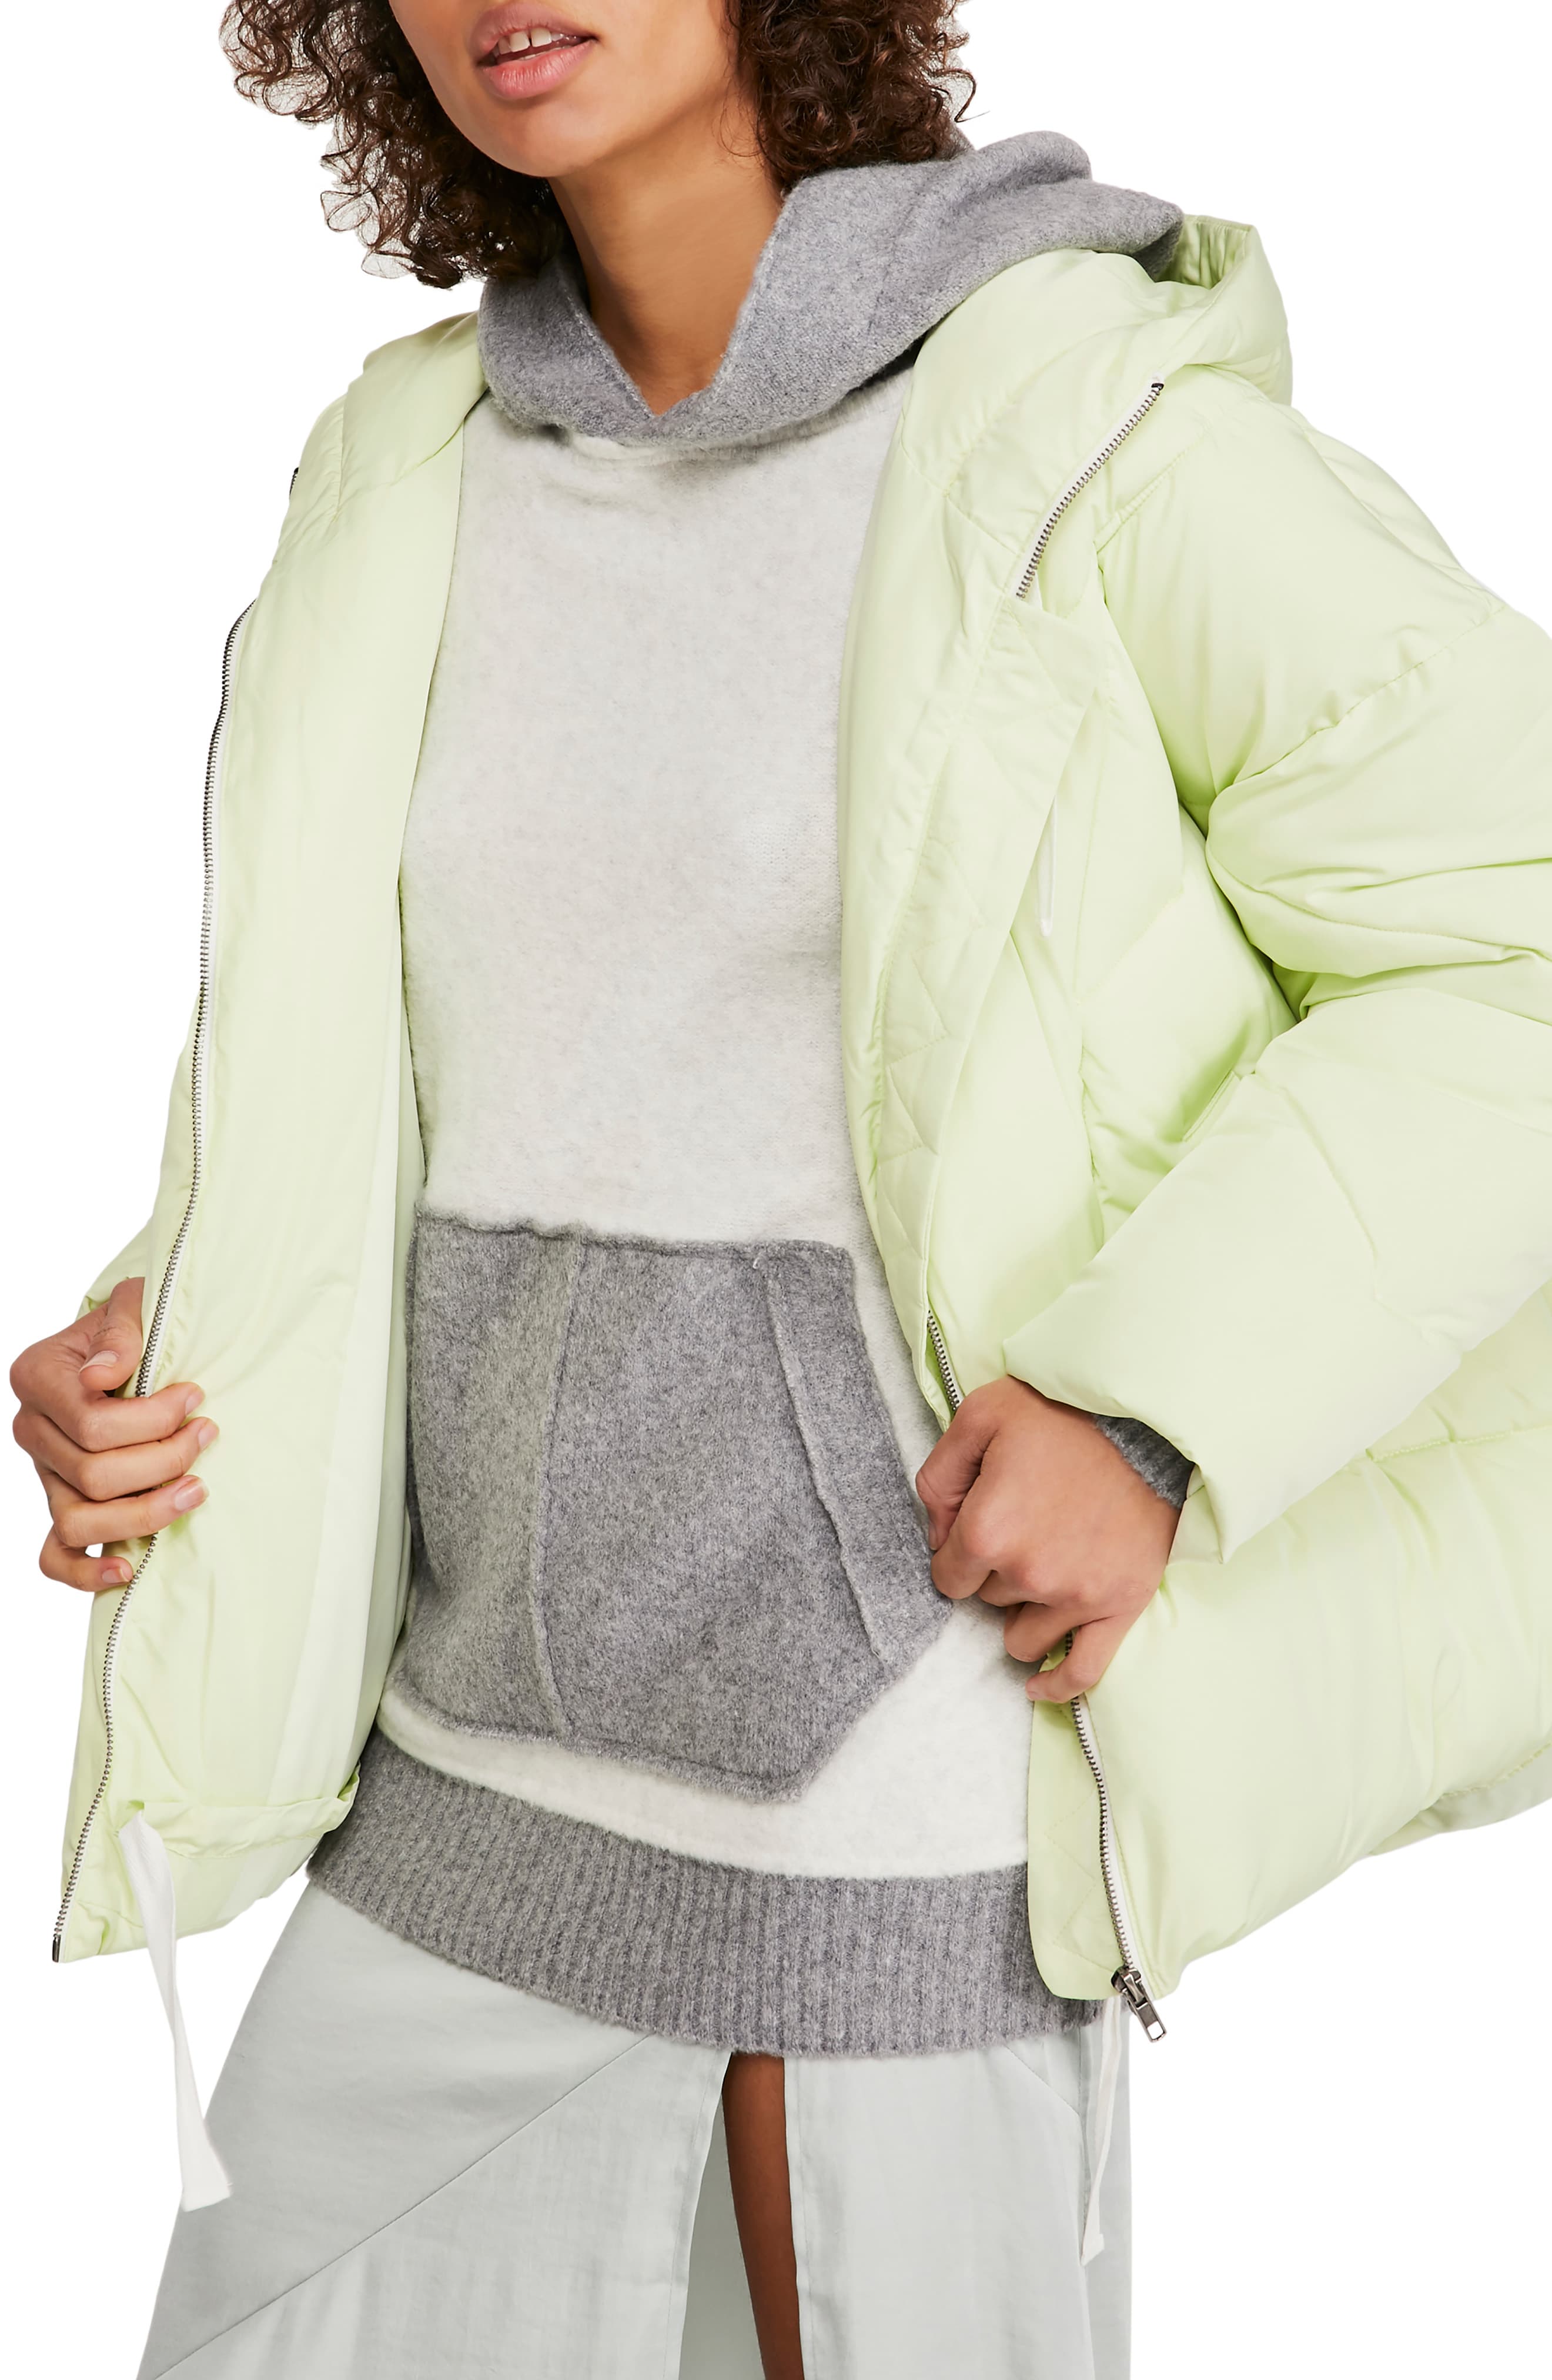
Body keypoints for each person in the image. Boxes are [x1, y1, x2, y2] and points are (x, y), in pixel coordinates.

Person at [12, 1, 1552, 2374]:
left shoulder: (1090, 435)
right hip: (446, 1776)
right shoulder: (409, 467)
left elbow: (1512, 932)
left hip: (886, 1782)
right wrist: (170, 1326)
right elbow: (463, 1069)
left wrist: (1155, 1416)